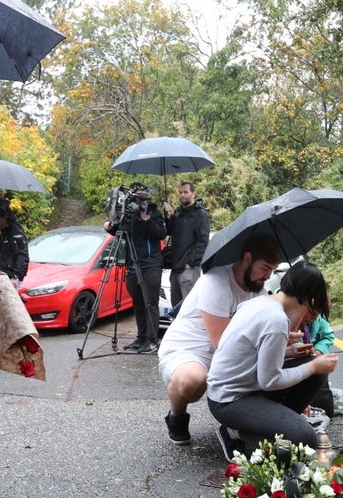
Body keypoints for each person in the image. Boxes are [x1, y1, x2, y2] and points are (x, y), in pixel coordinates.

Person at [157, 234, 283, 454]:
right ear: (247, 258)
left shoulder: (258, 291)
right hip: (188, 350)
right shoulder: (215, 281)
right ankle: (177, 414)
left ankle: (236, 428)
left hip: (224, 351)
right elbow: (222, 346)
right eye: (264, 268)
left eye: (272, 271)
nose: (267, 276)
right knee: (193, 381)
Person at [206, 261, 339, 449]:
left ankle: (275, 423)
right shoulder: (276, 320)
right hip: (230, 400)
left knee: (315, 366)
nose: (311, 319)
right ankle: (234, 432)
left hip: (244, 388)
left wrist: (290, 352)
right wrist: (312, 367)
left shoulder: (261, 302)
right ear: (308, 299)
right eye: (314, 311)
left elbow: (251, 357)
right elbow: (270, 380)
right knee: (304, 438)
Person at [104, 183, 166, 353]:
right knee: (137, 304)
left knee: (150, 303)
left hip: (150, 265)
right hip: (132, 265)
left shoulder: (153, 213)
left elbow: (161, 234)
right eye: (137, 198)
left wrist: (147, 221)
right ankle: (141, 338)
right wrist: (111, 228)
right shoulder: (128, 215)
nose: (140, 202)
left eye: (143, 198)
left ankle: (152, 341)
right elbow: (123, 234)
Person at [163, 182, 210, 307]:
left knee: (189, 307)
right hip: (175, 268)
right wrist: (169, 216)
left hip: (188, 269)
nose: (182, 195)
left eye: (185, 192)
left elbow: (203, 241)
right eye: (180, 192)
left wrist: (190, 262)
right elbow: (169, 231)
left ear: (193, 193)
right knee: (176, 307)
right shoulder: (178, 212)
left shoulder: (200, 214)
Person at [0, 196, 29, 285]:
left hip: (12, 278)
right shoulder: (4, 232)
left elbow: (22, 255)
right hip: (3, 276)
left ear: (5, 216)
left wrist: (16, 276)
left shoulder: (15, 232)